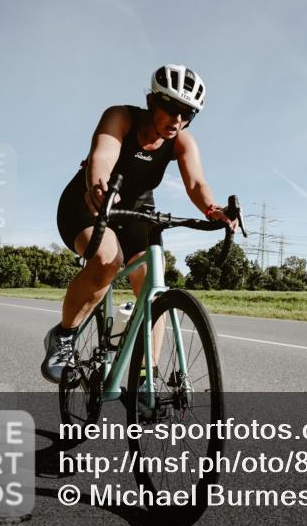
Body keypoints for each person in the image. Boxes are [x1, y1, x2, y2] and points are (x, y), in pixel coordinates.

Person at [42, 64, 236, 383]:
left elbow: (197, 183)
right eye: (170, 108)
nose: (177, 120)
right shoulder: (121, 116)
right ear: (150, 101)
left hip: (138, 207)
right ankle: (62, 338)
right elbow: (103, 155)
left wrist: (213, 209)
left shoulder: (182, 141)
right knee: (108, 260)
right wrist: (98, 185)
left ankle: (146, 372)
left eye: (187, 114)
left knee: (152, 285)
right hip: (90, 198)